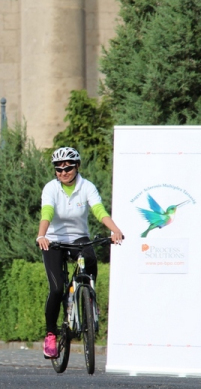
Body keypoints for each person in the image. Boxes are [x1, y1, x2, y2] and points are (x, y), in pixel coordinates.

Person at [36, 147, 124, 359]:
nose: (63, 172)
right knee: (56, 290)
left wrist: (115, 230)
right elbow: (46, 212)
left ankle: (89, 299)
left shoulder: (87, 187)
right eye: (58, 169)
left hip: (78, 238)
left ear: (77, 167)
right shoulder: (50, 188)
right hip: (54, 240)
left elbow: (98, 210)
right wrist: (41, 235)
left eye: (68, 167)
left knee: (91, 258)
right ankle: (50, 335)